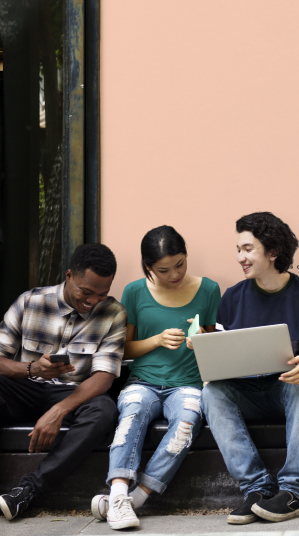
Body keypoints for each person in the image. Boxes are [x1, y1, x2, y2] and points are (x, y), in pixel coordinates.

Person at [200, 212, 299, 525]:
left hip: (288, 390)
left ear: (272, 252)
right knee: (211, 392)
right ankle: (258, 489)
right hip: (245, 392)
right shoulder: (232, 298)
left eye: (247, 249)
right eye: (238, 250)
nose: (239, 257)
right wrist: (207, 354)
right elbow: (220, 358)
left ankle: (293, 493)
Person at [89, 226, 221, 530]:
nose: (174, 274)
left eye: (180, 264)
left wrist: (201, 338)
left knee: (186, 423)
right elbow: (121, 350)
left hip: (188, 384)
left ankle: (135, 500)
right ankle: (119, 493)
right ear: (147, 266)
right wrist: (158, 339)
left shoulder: (209, 289)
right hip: (143, 382)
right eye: (163, 269)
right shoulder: (135, 291)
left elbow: (214, 348)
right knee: (131, 414)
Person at [0, 244, 125, 521]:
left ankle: (27, 491)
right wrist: (32, 368)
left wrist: (59, 411)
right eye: (86, 292)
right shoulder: (30, 301)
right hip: (26, 387)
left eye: (101, 294)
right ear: (69, 275)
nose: (93, 301)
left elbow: (103, 377)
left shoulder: (114, 313)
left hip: (73, 394)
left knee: (104, 410)